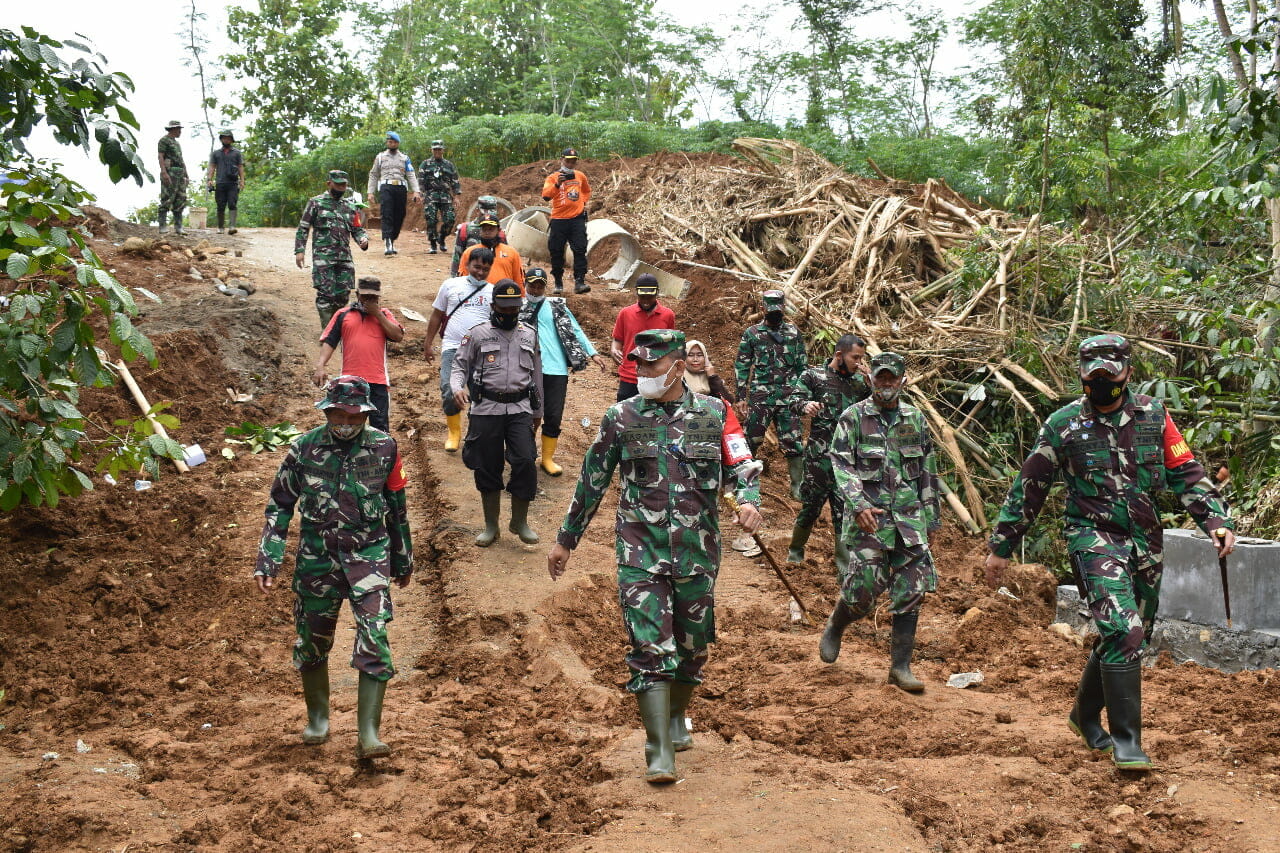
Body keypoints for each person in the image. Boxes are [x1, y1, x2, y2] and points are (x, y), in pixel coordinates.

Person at [985, 334, 1235, 771]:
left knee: (1129, 636)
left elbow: (1185, 471)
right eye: (1092, 372)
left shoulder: (1154, 416)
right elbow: (1030, 487)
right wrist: (1001, 546)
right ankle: (1128, 742)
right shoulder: (1062, 424)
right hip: (1092, 536)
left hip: (1145, 541)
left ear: (1127, 372)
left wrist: (1215, 520)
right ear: (1082, 374)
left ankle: (1083, 716)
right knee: (1124, 630)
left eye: (1110, 371)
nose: (1101, 380)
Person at [547, 329, 762, 784]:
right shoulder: (621, 417)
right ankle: (657, 747)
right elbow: (592, 481)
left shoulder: (714, 413)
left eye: (649, 367)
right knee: (650, 645)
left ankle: (673, 718)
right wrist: (566, 539)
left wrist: (747, 499)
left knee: (693, 645)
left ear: (677, 368)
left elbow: (741, 465)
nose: (640, 374)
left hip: (697, 552)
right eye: (637, 366)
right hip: (639, 550)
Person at [254, 375, 414, 759]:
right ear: (326, 412)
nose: (345, 424)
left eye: (353, 417)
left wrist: (402, 558)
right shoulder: (303, 449)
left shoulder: (384, 448)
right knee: (313, 640)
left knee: (374, 635)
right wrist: (269, 557)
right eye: (337, 416)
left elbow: (397, 508)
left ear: (365, 414)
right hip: (317, 559)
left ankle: (369, 735)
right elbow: (279, 505)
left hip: (368, 558)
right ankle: (318, 720)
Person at [823, 352, 939, 694]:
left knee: (912, 590)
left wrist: (931, 520)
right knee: (863, 592)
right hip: (869, 522)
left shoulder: (915, 420)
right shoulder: (852, 418)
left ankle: (900, 667)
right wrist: (857, 505)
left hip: (909, 521)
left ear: (903, 380)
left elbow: (928, 471)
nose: (886, 383)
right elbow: (841, 464)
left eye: (892, 378)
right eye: (880, 377)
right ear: (870, 378)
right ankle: (837, 622)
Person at [450, 279, 543, 547]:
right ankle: (491, 526)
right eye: (504, 308)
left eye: (515, 308)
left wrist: (539, 411)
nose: (510, 314)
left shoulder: (529, 334)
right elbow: (459, 366)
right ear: (493, 306)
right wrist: (457, 388)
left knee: (525, 460)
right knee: (487, 466)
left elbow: (536, 375)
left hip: (519, 409)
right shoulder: (477, 334)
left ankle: (519, 521)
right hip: (486, 410)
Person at [784, 334, 870, 566]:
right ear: (839, 355)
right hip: (817, 461)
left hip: (847, 463)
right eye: (855, 358)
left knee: (843, 515)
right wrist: (805, 405)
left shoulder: (860, 384)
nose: (859, 363)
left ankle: (844, 570)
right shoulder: (813, 376)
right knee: (810, 509)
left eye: (862, 358)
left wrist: (873, 383)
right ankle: (795, 554)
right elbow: (793, 401)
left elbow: (878, 408)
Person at [519, 267, 610, 475]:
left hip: (556, 368)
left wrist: (592, 353)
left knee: (553, 414)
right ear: (525, 283)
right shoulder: (515, 305)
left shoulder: (555, 306)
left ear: (545, 286)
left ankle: (547, 458)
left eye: (540, 285)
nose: (535, 288)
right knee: (527, 413)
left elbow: (575, 329)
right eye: (532, 284)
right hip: (527, 368)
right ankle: (525, 454)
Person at [735, 289, 808, 503]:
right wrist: (741, 396)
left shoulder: (794, 334)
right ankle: (746, 486)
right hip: (761, 397)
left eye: (778, 309)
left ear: (784, 308)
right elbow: (742, 366)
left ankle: (797, 487)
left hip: (789, 399)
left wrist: (802, 396)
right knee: (751, 440)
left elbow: (803, 366)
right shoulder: (752, 334)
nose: (775, 313)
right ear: (762, 309)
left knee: (793, 443)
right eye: (770, 309)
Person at [423, 248, 495, 452]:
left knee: (481, 393)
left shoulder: (493, 291)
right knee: (449, 389)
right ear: (467, 265)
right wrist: (428, 343)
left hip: (483, 351)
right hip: (452, 347)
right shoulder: (450, 285)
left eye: (485, 269)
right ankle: (454, 432)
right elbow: (437, 315)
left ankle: (475, 434)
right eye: (477, 267)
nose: (480, 273)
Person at [312, 277, 405, 433]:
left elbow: (398, 336)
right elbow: (330, 341)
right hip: (350, 381)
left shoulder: (384, 314)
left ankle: (379, 456)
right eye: (365, 296)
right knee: (348, 425)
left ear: (378, 297)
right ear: (357, 295)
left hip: (378, 381)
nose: (369, 300)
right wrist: (320, 366)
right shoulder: (343, 314)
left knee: (380, 426)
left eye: (373, 297)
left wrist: (378, 315)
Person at [295, 170, 370, 329]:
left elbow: (357, 228)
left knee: (343, 295)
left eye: (344, 185)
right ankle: (327, 331)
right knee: (325, 295)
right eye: (338, 184)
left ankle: (338, 329)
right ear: (329, 183)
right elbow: (303, 228)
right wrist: (299, 251)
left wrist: (363, 240)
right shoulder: (316, 203)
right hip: (324, 258)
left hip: (344, 258)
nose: (341, 188)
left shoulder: (350, 206)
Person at [611, 275, 676, 402]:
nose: (646, 300)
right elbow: (618, 339)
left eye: (650, 297)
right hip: (629, 375)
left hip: (657, 376)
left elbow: (671, 346)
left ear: (657, 293)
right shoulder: (625, 313)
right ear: (636, 293)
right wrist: (614, 350)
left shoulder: (668, 315)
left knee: (654, 416)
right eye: (642, 297)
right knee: (626, 415)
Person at [540, 147, 592, 294]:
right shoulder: (552, 177)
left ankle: (580, 282)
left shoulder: (580, 176)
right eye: (568, 161)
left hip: (577, 219)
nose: (570, 164)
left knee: (580, 249)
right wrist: (557, 184)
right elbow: (546, 196)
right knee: (556, 251)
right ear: (561, 160)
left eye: (573, 161)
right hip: (558, 219)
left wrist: (582, 202)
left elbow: (587, 191)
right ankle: (558, 282)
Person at [367, 131, 420, 256]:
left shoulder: (404, 158)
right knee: (387, 213)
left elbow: (411, 174)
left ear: (398, 143)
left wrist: (416, 191)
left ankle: (392, 238)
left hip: (401, 188)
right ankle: (387, 241)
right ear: (387, 142)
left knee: (400, 214)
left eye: (394, 142)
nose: (392, 144)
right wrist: (370, 192)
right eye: (390, 142)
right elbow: (373, 174)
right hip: (386, 187)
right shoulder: (380, 157)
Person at [457, 217, 525, 290]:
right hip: (477, 295)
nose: (487, 232)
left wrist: (521, 297)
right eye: (484, 229)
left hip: (504, 297)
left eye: (491, 229)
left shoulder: (511, 252)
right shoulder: (470, 252)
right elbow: (463, 277)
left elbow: (518, 278)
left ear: (498, 230)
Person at [420, 140, 461, 255]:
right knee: (431, 219)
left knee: (450, 219)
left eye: (439, 149)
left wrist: (456, 196)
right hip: (430, 196)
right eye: (435, 149)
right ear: (431, 150)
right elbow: (421, 181)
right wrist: (421, 194)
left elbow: (455, 181)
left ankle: (442, 237)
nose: (437, 151)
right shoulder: (425, 164)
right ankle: (433, 244)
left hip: (445, 196)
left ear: (443, 150)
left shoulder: (449, 165)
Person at [450, 195, 507, 276]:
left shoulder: (499, 232)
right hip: (469, 278)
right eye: (483, 213)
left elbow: (505, 258)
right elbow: (457, 257)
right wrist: (453, 279)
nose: (486, 216)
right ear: (477, 211)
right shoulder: (465, 229)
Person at [205, 129, 245, 234]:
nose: (226, 140)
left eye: (228, 138)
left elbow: (240, 166)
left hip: (233, 183)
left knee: (232, 203)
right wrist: (209, 179)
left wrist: (242, 180)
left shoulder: (236, 153)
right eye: (224, 138)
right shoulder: (216, 154)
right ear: (221, 140)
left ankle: (232, 226)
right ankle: (220, 227)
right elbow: (212, 166)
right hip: (220, 182)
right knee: (220, 205)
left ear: (231, 140)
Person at [156, 120, 188, 236]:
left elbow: (181, 159)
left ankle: (178, 227)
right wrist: (164, 172)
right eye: (178, 129)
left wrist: (186, 174)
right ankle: (163, 225)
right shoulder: (164, 140)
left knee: (181, 199)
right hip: (170, 172)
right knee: (167, 198)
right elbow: (160, 156)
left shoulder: (176, 143)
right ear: (173, 129)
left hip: (179, 173)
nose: (180, 131)